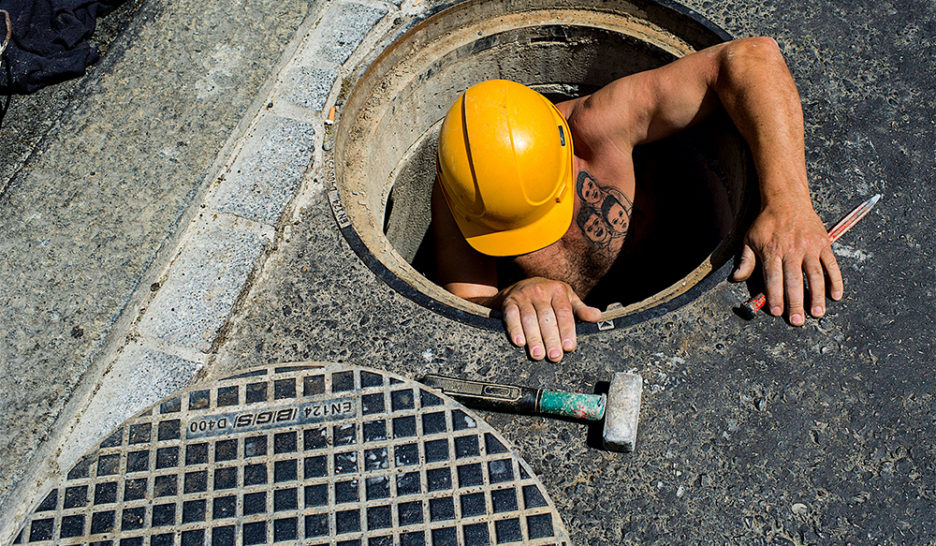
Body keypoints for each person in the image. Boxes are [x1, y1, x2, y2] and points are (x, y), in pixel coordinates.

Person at [432, 37, 843, 363]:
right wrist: (512, 294)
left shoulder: (599, 124)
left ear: (565, 150)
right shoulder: (461, 195)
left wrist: (787, 203)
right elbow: (463, 301)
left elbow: (751, 57)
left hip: (677, 260)